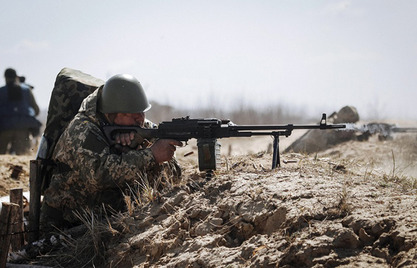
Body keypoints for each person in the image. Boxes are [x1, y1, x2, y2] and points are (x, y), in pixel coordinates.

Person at [40, 74, 182, 230]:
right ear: (113, 115)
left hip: (112, 220)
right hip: (67, 226)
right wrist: (150, 155)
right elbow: (99, 175)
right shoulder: (82, 130)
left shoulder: (141, 128)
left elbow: (174, 177)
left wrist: (141, 146)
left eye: (142, 113)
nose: (141, 120)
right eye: (134, 116)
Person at [0, 68, 41, 155]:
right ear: (16, 77)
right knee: (23, 155)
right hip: (22, 127)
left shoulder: (1, 91)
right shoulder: (27, 90)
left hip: (4, 127)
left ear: (5, 78)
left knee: (1, 156)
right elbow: (36, 110)